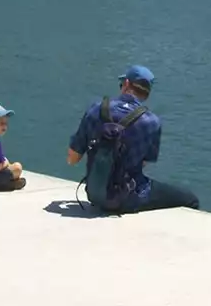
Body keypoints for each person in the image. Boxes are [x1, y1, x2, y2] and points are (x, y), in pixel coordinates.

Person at [66, 64, 198, 213]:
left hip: (94, 194)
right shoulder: (152, 122)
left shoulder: (95, 109)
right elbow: (144, 162)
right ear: (147, 92)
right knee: (190, 199)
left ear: (127, 84)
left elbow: (72, 159)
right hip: (129, 198)